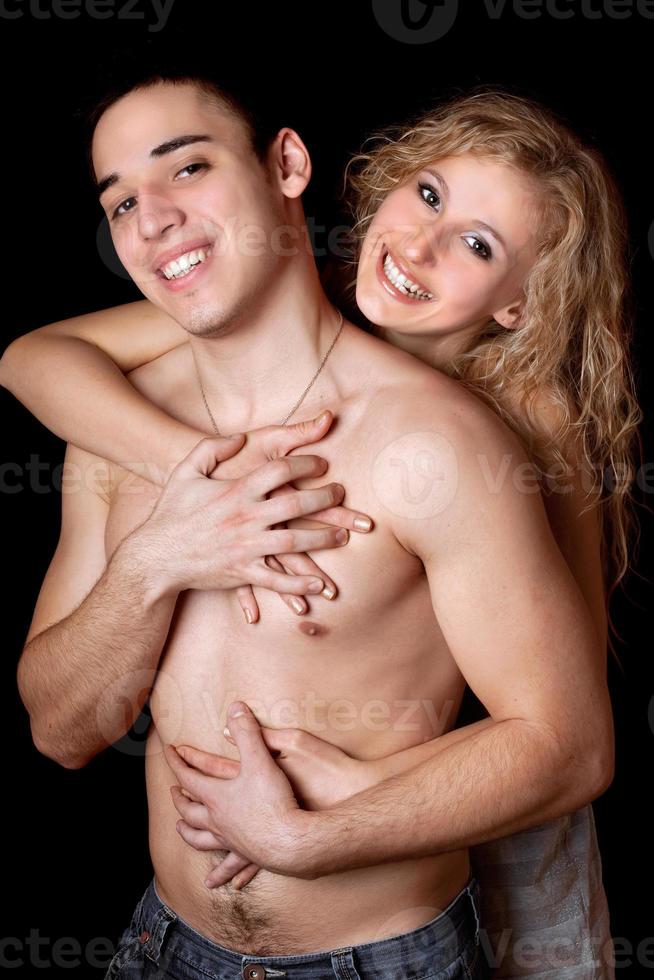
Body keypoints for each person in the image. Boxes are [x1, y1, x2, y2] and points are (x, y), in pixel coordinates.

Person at [2, 64, 621, 980]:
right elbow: (59, 732)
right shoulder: (130, 412)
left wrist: (318, 828)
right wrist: (170, 537)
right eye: (426, 195)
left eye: (479, 246)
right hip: (162, 943)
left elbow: (565, 735)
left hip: (380, 951)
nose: (419, 249)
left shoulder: (501, 433)